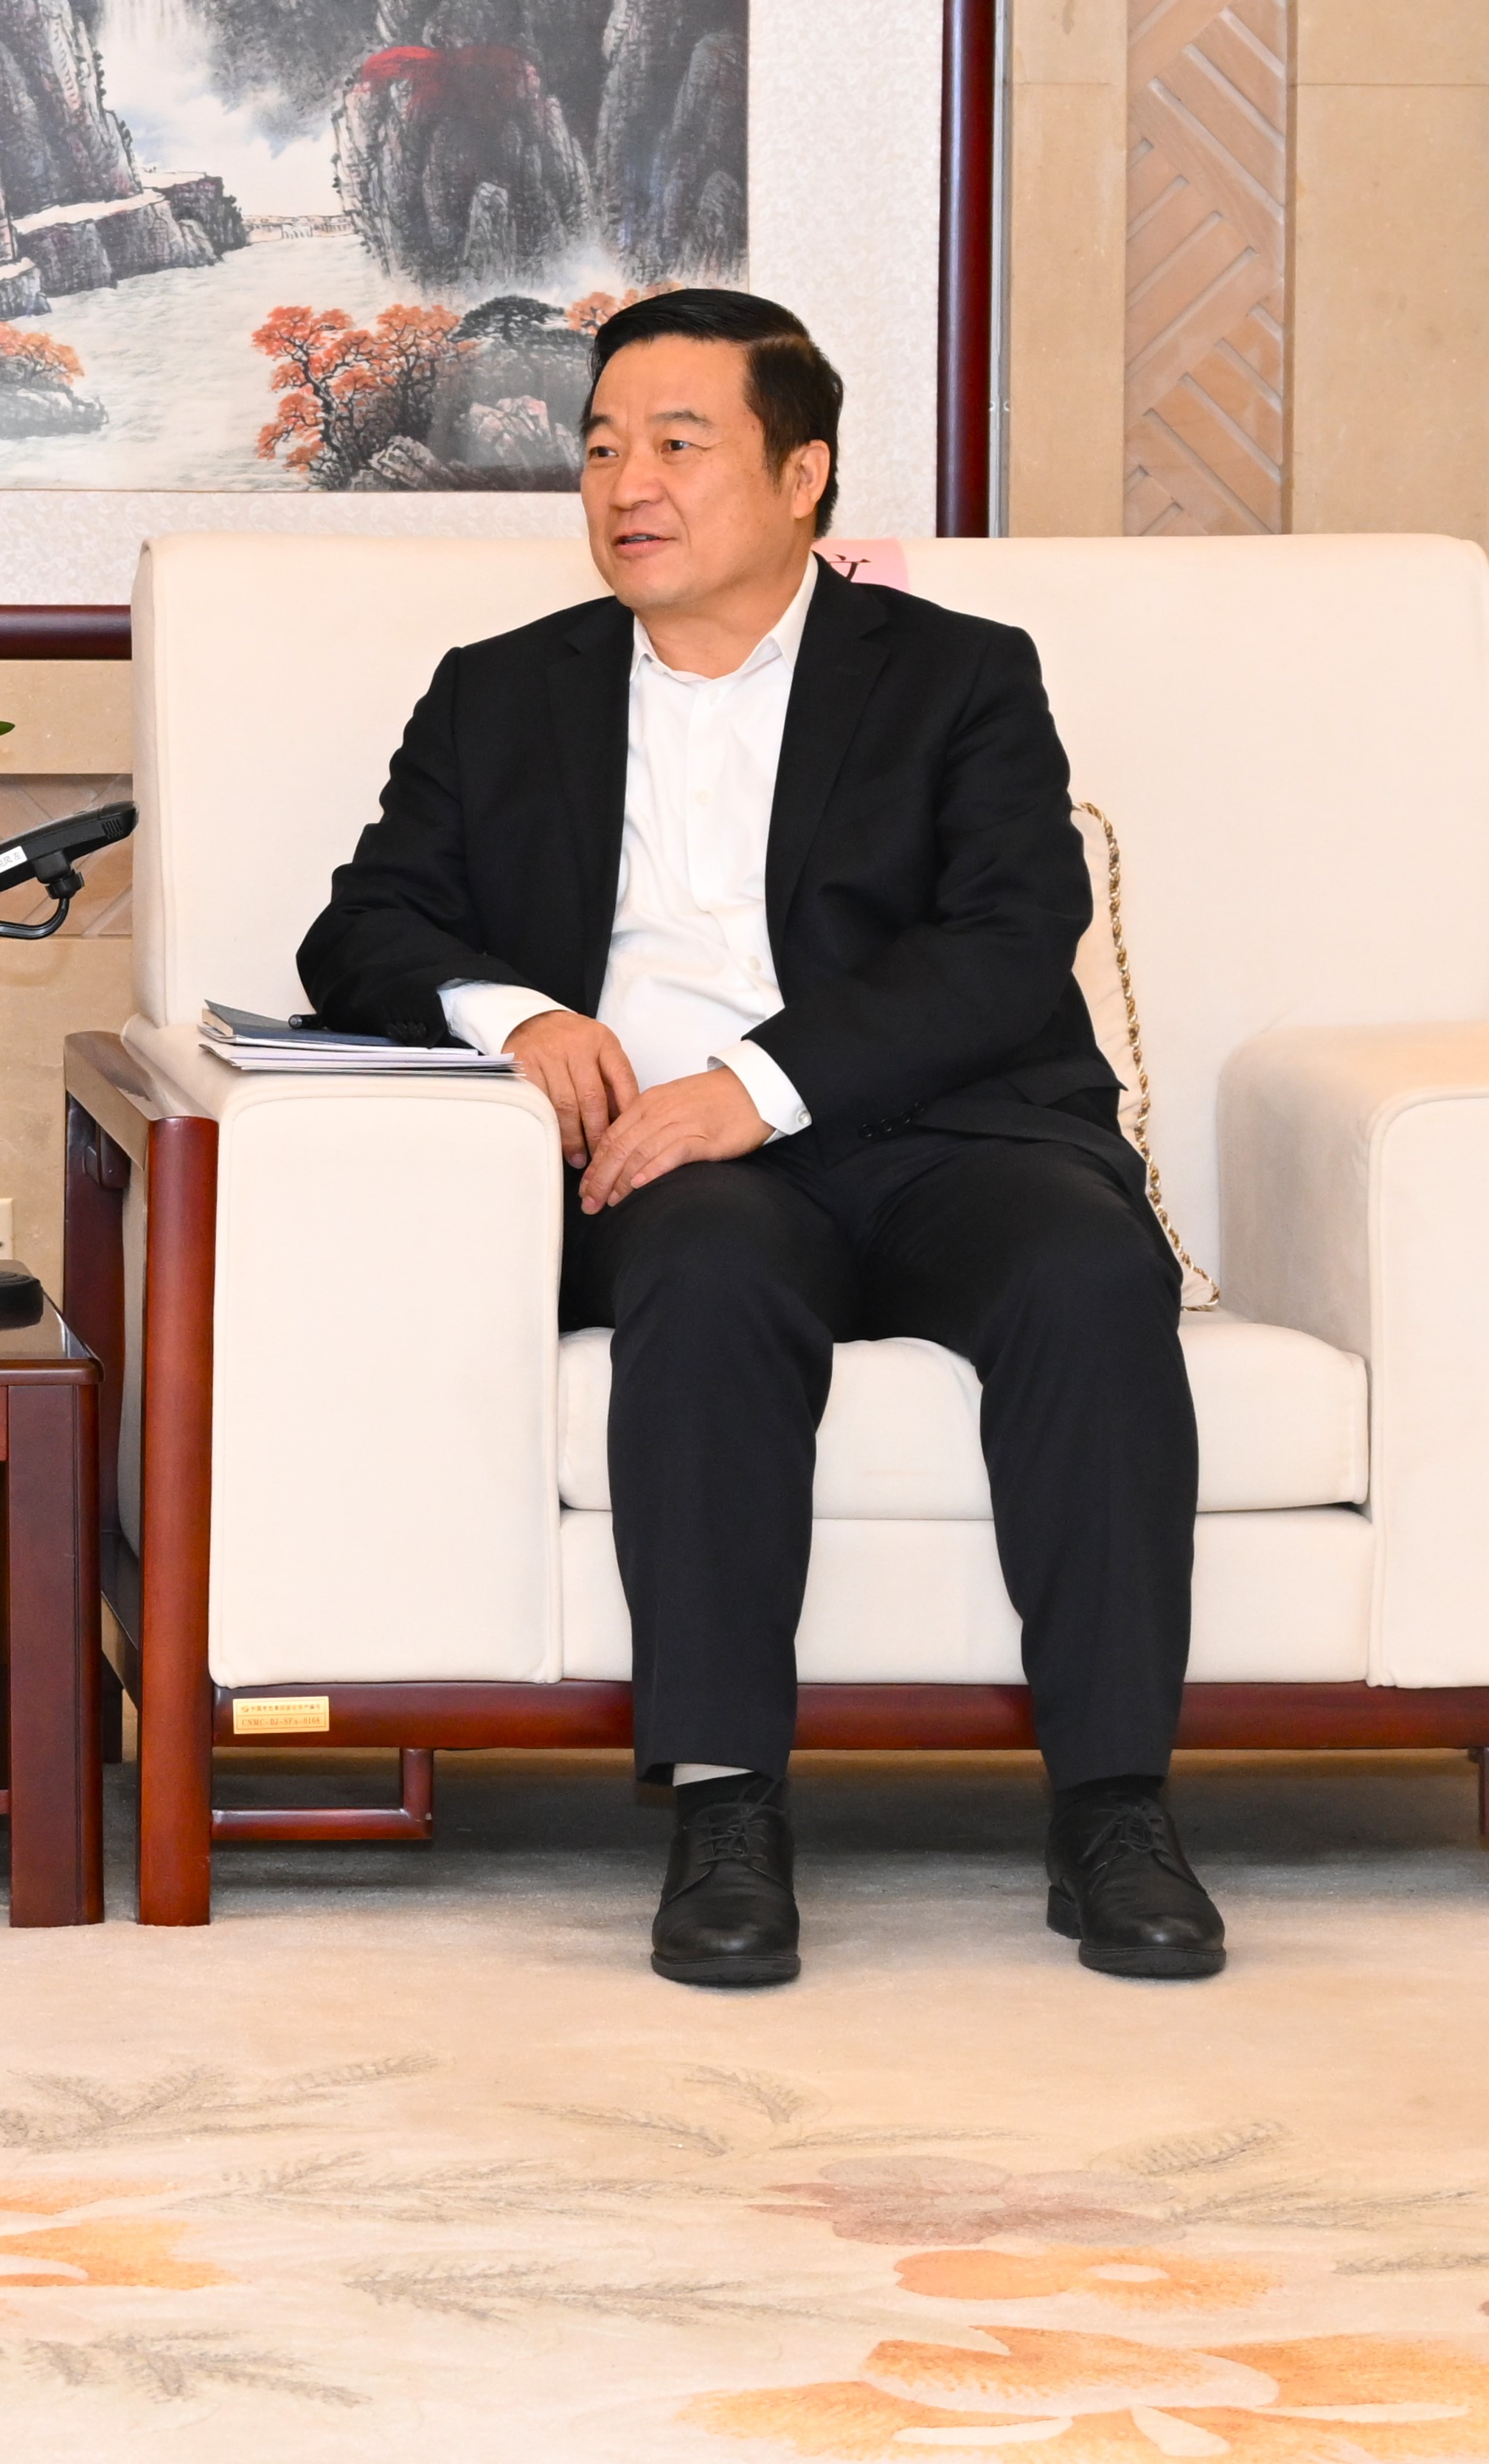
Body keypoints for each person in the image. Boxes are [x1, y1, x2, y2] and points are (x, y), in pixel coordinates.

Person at [296, 289, 1218, 1989]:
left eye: (674, 443)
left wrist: (762, 1081)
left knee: (1088, 1278)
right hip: (675, 1169)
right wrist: (516, 1015)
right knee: (707, 1284)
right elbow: (359, 931)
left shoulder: (956, 676)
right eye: (599, 449)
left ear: (801, 478)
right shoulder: (499, 694)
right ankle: (724, 1805)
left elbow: (1009, 936)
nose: (624, 484)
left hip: (949, 1140)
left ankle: (1112, 1807)